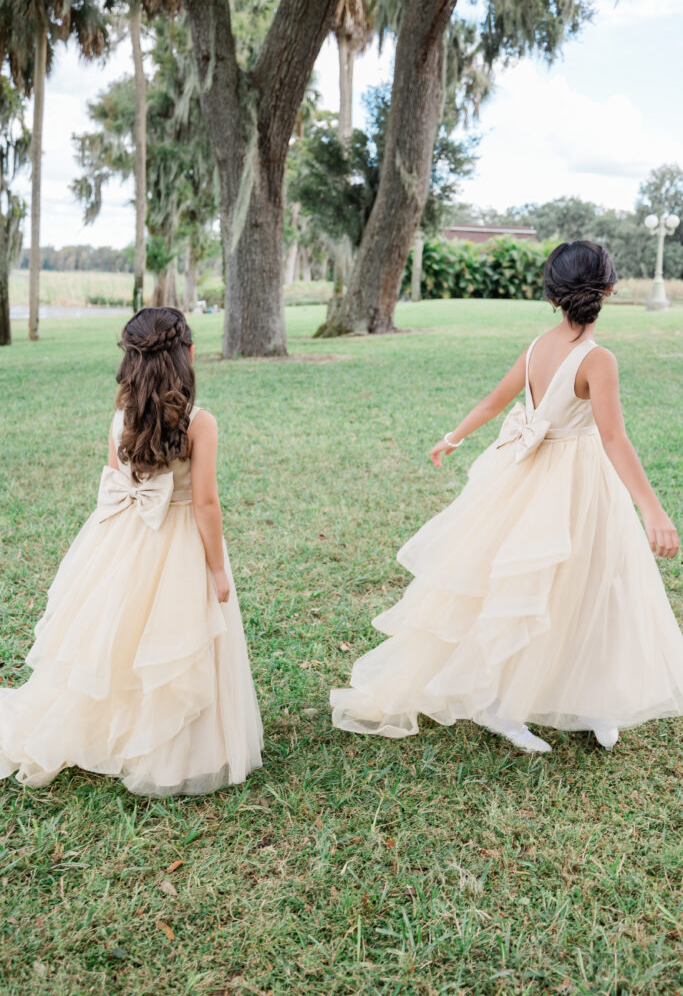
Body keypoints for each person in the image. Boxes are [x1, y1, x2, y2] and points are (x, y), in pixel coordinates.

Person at [331, 241, 682, 752]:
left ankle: (592, 699)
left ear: (552, 294)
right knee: (544, 585)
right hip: (560, 479)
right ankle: (503, 705)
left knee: (589, 581)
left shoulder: (541, 346)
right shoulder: (596, 359)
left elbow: (495, 401)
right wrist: (653, 510)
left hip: (553, 476)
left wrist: (453, 436)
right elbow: (613, 438)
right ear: (608, 289)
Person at [0, 307, 263, 794]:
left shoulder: (120, 416)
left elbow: (115, 487)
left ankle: (121, 729)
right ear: (188, 355)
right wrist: (217, 569)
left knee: (123, 638)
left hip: (125, 536)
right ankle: (171, 747)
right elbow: (205, 503)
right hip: (180, 542)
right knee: (174, 639)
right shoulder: (200, 422)